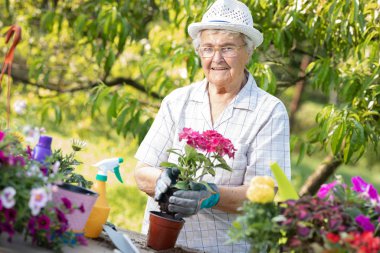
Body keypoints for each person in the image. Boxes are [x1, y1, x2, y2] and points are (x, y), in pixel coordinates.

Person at [134, 0, 291, 252]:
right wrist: (161, 180)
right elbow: (142, 171)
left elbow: (263, 193)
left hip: (222, 247)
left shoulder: (269, 111)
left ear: (247, 51)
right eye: (207, 48)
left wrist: (210, 195)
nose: (216, 58)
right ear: (199, 52)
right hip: (159, 244)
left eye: (227, 48)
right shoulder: (178, 101)